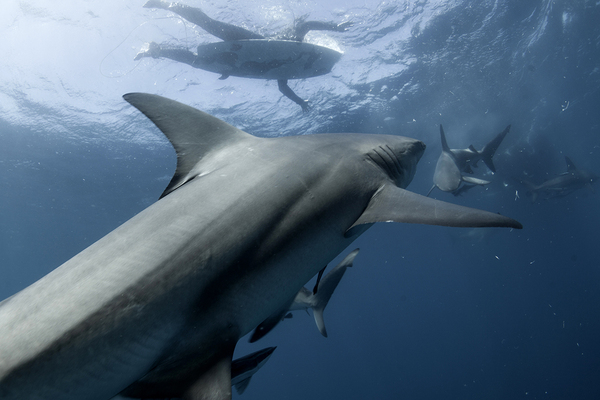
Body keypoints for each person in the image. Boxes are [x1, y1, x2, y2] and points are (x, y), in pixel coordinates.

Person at [136, 0, 352, 111]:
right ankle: (167, 3)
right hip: (249, 40)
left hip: (241, 61)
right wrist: (336, 27)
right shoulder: (295, 45)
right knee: (210, 24)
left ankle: (156, 51)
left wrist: (300, 102)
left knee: (196, 61)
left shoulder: (285, 67)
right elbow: (306, 24)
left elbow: (283, 86)